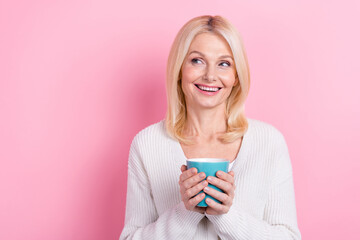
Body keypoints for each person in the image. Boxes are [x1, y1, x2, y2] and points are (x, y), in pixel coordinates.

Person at [119, 15, 301, 240]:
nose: (210, 75)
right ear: (179, 69)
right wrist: (185, 213)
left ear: (236, 76)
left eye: (224, 63)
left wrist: (225, 216)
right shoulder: (148, 144)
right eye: (197, 60)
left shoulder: (269, 143)